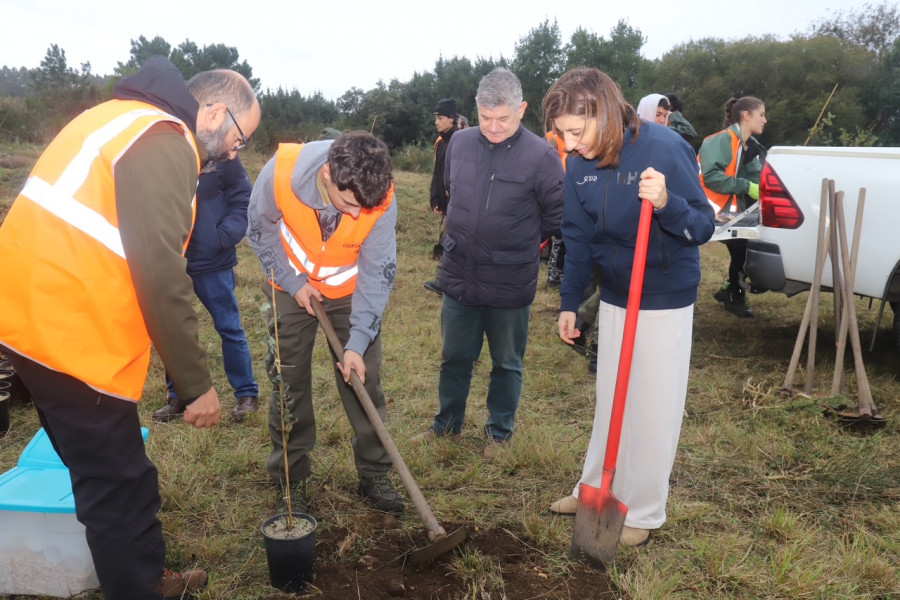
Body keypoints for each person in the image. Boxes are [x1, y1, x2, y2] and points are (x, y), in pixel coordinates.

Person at [0, 56, 261, 599]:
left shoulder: (117, 118)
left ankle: (141, 575)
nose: (238, 152)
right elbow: (160, 269)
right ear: (213, 112)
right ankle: (142, 588)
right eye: (241, 137)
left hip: (29, 316)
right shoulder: (164, 137)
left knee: (105, 471)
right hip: (69, 333)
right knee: (121, 485)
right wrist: (196, 385)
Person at [543, 67, 714, 548]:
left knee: (652, 405)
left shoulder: (662, 148)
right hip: (617, 293)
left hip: (662, 296)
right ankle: (594, 487)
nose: (570, 144)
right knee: (612, 399)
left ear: (602, 111)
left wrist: (665, 202)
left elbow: (702, 226)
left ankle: (643, 510)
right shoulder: (578, 164)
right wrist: (571, 302)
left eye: (576, 131)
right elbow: (576, 239)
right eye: (561, 134)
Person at [246, 131, 405, 515]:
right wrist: (293, 282)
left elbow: (377, 270)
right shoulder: (279, 175)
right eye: (348, 203)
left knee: (364, 378)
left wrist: (358, 341)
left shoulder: (380, 196)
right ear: (328, 175)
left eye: (362, 208)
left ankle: (373, 471)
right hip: (289, 284)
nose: (354, 215)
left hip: (349, 291)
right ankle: (291, 480)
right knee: (289, 381)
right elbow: (259, 230)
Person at [411, 68, 565, 454]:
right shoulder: (459, 144)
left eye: (504, 119)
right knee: (454, 357)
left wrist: (515, 240)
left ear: (522, 110)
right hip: (460, 273)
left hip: (510, 279)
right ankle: (446, 425)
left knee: (507, 363)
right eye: (485, 118)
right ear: (476, 110)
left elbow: (556, 216)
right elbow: (452, 192)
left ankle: (499, 432)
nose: (493, 127)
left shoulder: (542, 156)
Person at [153, 156, 260, 423]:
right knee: (173, 329)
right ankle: (178, 396)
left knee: (229, 327)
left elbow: (244, 199)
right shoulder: (168, 149)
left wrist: (221, 237)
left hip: (213, 261)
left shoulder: (224, 157)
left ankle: (246, 394)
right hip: (170, 257)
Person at [699, 96, 768, 318]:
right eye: (761, 114)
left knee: (744, 250)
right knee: (742, 250)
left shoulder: (747, 145)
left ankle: (730, 290)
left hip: (729, 213)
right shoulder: (722, 140)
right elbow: (712, 177)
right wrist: (747, 186)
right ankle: (733, 294)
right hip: (707, 210)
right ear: (746, 115)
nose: (765, 120)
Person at [424, 98, 460, 294]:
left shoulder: (459, 141)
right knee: (448, 238)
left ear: (452, 120)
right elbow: (438, 174)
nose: (437, 122)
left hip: (457, 202)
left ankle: (444, 281)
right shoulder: (442, 142)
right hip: (446, 202)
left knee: (450, 239)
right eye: (436, 118)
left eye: (441, 118)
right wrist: (435, 198)